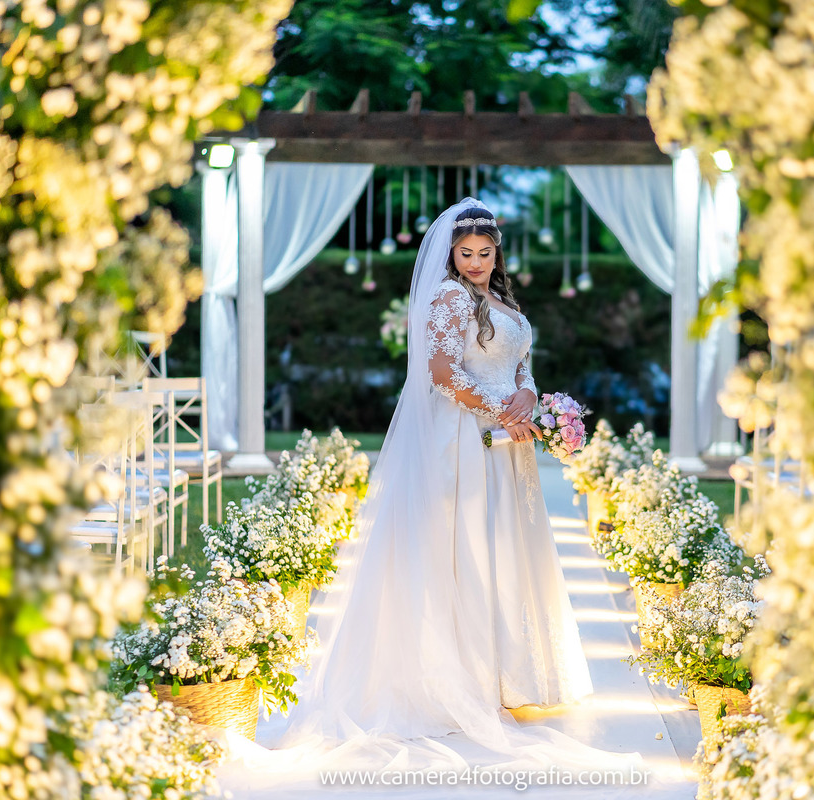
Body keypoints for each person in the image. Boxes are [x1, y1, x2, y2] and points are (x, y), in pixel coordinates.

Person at [215, 199, 662, 798]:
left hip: (512, 439)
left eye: (485, 253)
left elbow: (520, 364)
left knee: (506, 547)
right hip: (466, 438)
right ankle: (463, 679)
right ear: (451, 255)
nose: (476, 263)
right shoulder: (449, 299)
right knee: (467, 549)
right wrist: (499, 408)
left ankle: (508, 677)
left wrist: (529, 399)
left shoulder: (504, 303)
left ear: (497, 252)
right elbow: (442, 372)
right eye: (466, 254)